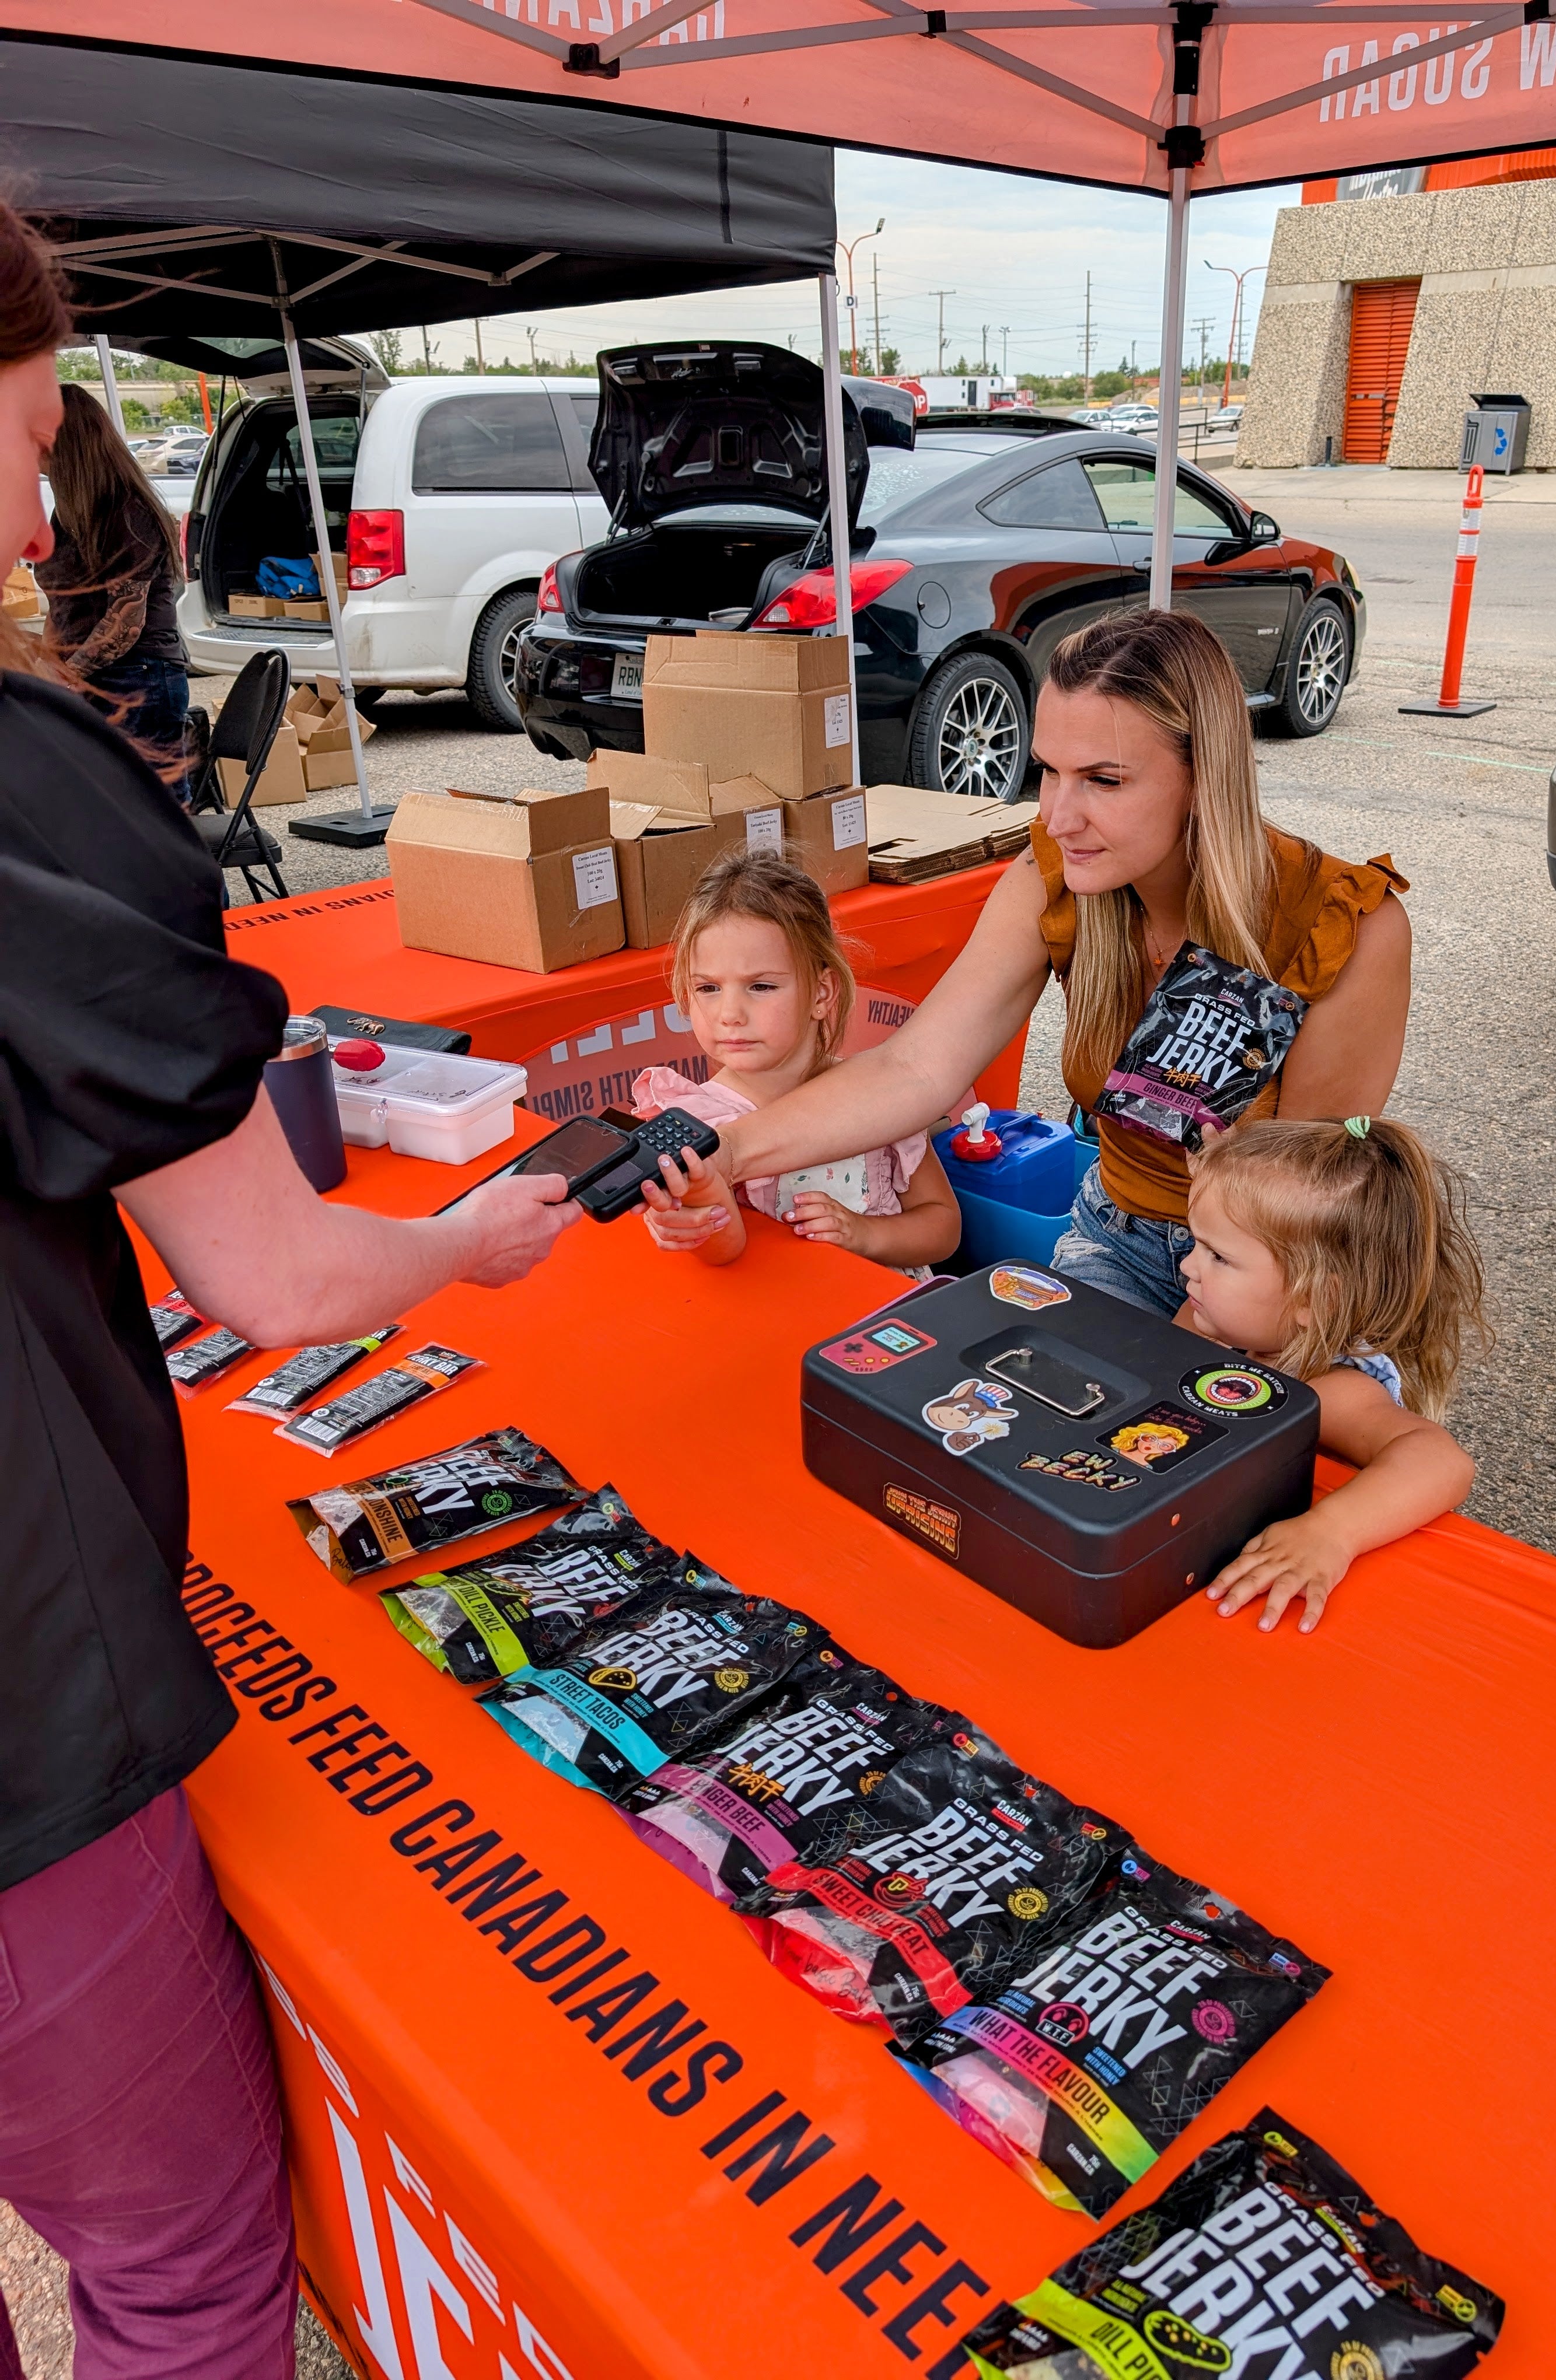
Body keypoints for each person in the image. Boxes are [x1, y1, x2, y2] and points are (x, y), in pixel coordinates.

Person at [0, 205, 580, 2380]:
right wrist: (471, 1240)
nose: (51, 495)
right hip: (21, 1738)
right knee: (180, 2273)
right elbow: (271, 1262)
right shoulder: (15, 780)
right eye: (41, 428)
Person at [644, 608, 1410, 1314]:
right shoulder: (1060, 879)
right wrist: (726, 1152)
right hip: (1116, 1237)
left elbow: (1314, 1211)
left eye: (1103, 780)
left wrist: (1191, 1341)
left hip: (1275, 1275)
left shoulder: (1344, 926)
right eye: (1048, 770)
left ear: (1205, 777)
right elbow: (916, 1071)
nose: (1055, 815)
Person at [1182, 1115, 1485, 1635]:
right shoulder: (1221, 1320)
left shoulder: (1330, 1386)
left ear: (1315, 1299)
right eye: (1195, 1243)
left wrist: (1331, 1533)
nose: (1188, 1267)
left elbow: (1442, 1461)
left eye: (1218, 1257)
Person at [634, 848, 959, 1273]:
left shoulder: (878, 1096)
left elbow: (943, 1226)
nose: (729, 1013)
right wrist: (687, 1221)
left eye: (762, 987)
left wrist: (865, 1234)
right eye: (708, 988)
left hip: (886, 1324)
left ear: (822, 994)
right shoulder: (693, 1122)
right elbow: (724, 1250)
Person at [37, 380, 193, 797]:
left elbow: (126, 621)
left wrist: (66, 674)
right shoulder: (69, 512)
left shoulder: (127, 511)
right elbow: (62, 607)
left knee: (152, 809)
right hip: (95, 677)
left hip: (138, 676)